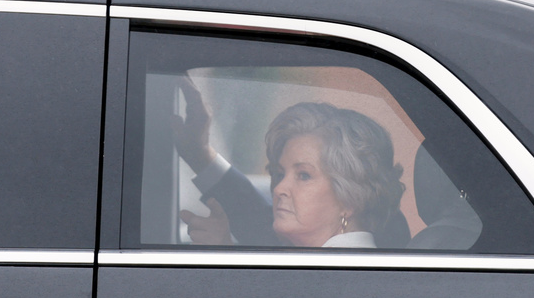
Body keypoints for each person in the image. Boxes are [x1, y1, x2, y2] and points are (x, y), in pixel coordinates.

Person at [173, 76, 405, 248]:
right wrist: (198, 153)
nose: (279, 189)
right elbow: (257, 220)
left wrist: (226, 259)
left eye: (304, 175)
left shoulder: (347, 273)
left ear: (351, 199)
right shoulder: (315, 253)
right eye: (279, 174)